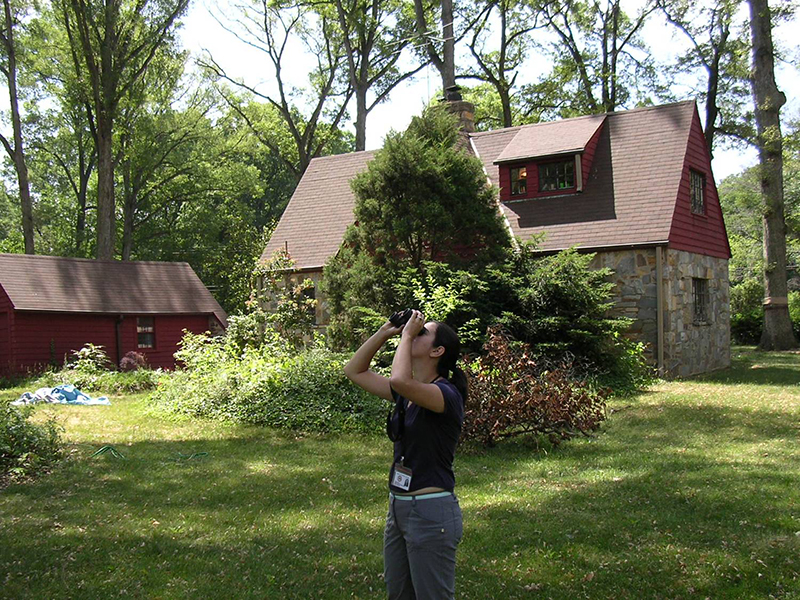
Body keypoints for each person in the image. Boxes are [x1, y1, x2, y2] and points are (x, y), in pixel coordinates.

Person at [344, 310, 468, 600]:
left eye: (424, 332)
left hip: (430, 511)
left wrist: (407, 335)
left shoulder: (445, 395)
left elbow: (400, 381)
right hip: (399, 508)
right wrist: (386, 331)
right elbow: (354, 370)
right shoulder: (408, 395)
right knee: (399, 595)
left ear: (438, 351)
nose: (414, 332)